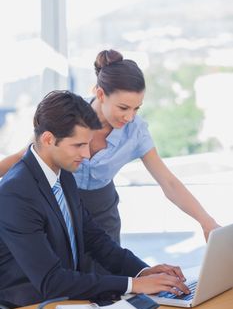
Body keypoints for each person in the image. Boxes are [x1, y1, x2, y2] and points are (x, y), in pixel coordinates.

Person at [0, 49, 220, 273]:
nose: (129, 116)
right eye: (123, 108)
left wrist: (206, 221)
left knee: (109, 280)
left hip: (101, 211)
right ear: (101, 94)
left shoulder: (136, 132)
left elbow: (168, 182)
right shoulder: (69, 115)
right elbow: (25, 157)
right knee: (60, 279)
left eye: (136, 108)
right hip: (60, 204)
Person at [0, 90, 190, 307]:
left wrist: (143, 271)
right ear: (48, 139)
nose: (87, 155)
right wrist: (133, 285)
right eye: (78, 145)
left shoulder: (64, 177)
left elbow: (95, 239)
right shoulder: (16, 193)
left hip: (66, 305)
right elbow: (51, 281)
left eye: (87, 144)